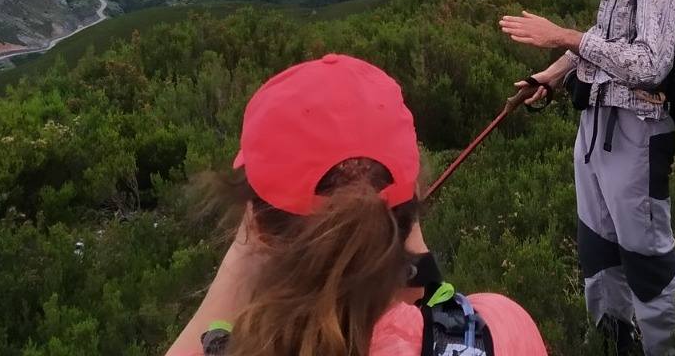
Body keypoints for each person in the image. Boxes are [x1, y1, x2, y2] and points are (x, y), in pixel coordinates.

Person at [163, 53, 549, 356]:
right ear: (408, 206)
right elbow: (448, 321)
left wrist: (245, 255)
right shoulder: (504, 330)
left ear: (258, 227)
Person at [499, 0, 675, 356]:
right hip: (597, 128)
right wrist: (553, 73)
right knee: (599, 249)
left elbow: (651, 64)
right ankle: (613, 345)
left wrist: (561, 35)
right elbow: (606, 39)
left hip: (638, 130)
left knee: (647, 257)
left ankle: (671, 348)